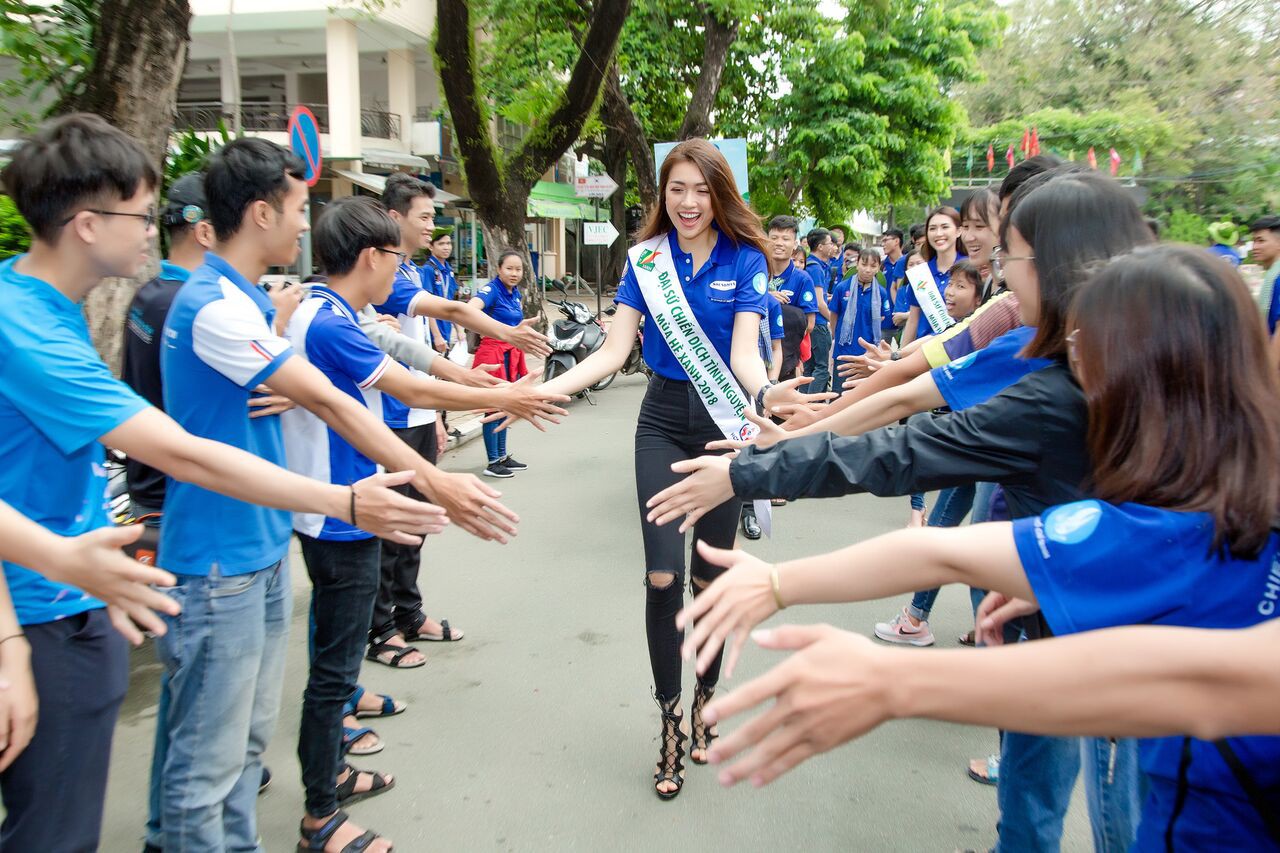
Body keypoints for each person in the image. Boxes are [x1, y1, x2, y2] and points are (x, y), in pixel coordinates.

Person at [680, 245, 1280, 851]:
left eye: (1084, 353)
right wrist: (780, 584)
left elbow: (1183, 681)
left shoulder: (1171, 527)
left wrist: (891, 683)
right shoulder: (1162, 514)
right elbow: (948, 553)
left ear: (1149, 373)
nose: (1072, 369)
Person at [647, 169, 1159, 852]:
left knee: (1118, 807)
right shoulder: (1108, 354)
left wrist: (754, 493)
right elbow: (905, 420)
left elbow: (898, 453)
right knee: (1053, 785)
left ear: (1059, 263)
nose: (996, 266)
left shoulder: (1050, 388)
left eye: (1008, 251)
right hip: (1066, 593)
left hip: (1107, 634)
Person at [0, 114, 442, 852]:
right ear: (84, 224)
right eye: (142, 215)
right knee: (152, 796)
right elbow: (187, 452)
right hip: (131, 585)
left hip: (122, 582)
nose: (159, 228)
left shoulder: (60, 309)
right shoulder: (46, 327)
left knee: (230, 762)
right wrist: (351, 497)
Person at [155, 136, 513, 852]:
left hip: (253, 547)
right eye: (293, 208)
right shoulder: (218, 308)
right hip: (220, 558)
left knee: (233, 764)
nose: (301, 224)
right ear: (258, 213)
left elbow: (337, 390)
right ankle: (313, 816)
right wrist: (432, 478)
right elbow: (336, 402)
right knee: (210, 772)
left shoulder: (252, 303)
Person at [526, 138, 828, 800]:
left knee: (710, 578)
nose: (688, 203)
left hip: (722, 428)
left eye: (701, 190)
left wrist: (767, 393)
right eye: (676, 190)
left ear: (719, 195)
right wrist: (542, 390)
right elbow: (611, 351)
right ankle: (667, 720)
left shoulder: (746, 259)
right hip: (661, 422)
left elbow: (747, 355)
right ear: (662, 195)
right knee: (662, 576)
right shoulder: (645, 262)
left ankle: (705, 698)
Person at [282, 197, 567, 853]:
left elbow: (419, 367)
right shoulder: (329, 324)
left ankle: (331, 773)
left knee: (337, 660)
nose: (399, 271)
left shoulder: (324, 312)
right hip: (345, 514)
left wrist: (490, 387)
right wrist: (504, 394)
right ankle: (320, 818)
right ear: (370, 257)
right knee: (333, 673)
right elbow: (411, 388)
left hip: (342, 504)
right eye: (395, 257)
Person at [470, 250, 535, 479]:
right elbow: (471, 308)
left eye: (518, 269)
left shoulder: (514, 293)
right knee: (493, 406)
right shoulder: (492, 290)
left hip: (510, 355)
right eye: (509, 268)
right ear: (498, 269)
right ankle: (493, 461)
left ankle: (503, 456)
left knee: (507, 405)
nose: (514, 273)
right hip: (492, 356)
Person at [828, 250, 893, 399]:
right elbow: (834, 316)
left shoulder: (881, 293)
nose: (867, 269)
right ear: (857, 264)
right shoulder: (842, 288)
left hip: (867, 354)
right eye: (864, 264)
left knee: (862, 397)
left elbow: (882, 318)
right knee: (839, 395)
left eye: (873, 265)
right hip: (844, 351)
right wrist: (836, 337)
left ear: (879, 268)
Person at [900, 206, 967, 345]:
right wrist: (898, 357)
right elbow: (913, 320)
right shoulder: (920, 274)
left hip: (958, 353)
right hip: (922, 354)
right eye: (932, 228)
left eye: (945, 227)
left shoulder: (970, 269)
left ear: (959, 230)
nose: (938, 233)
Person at [764, 215, 814, 381]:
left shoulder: (803, 279)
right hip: (756, 358)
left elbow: (809, 324)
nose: (779, 243)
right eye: (774, 238)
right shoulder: (755, 273)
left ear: (794, 244)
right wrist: (768, 298)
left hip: (788, 360)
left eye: (785, 239)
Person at [802, 228, 838, 394]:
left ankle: (802, 404)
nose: (833, 247)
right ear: (820, 247)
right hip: (819, 324)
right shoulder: (815, 268)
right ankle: (812, 405)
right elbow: (819, 302)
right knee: (822, 369)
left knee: (808, 369)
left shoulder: (811, 264)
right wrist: (833, 319)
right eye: (830, 243)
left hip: (809, 323)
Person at [1249, 214, 1280, 338]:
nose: (1254, 247)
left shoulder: (1277, 278)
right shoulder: (1272, 275)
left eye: (1261, 241)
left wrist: (1270, 358)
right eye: (1254, 241)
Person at [880, 228, 906, 301]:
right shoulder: (881, 266)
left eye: (885, 241)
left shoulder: (909, 264)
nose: (882, 245)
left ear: (896, 241)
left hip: (902, 310)